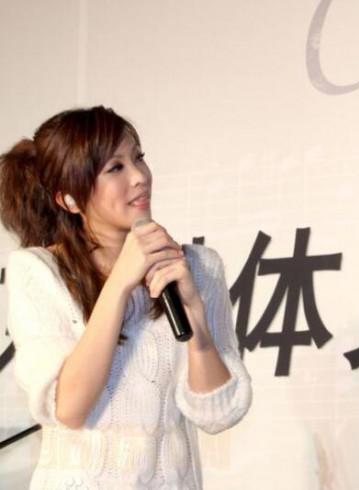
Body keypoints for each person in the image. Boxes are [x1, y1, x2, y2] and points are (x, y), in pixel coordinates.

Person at [0, 106, 252, 489]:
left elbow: (218, 414)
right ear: (69, 199)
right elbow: (69, 408)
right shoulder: (39, 272)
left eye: (139, 158)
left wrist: (197, 319)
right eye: (115, 168)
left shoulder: (198, 268)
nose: (139, 177)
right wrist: (120, 282)